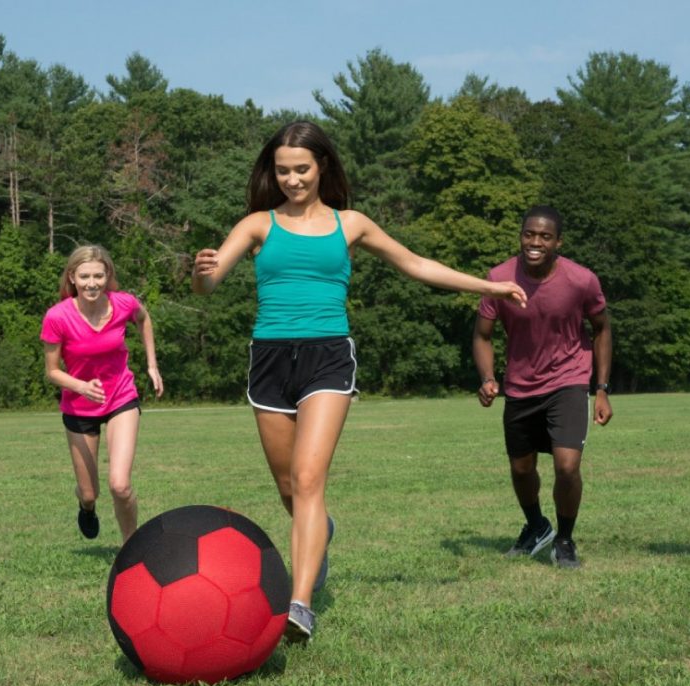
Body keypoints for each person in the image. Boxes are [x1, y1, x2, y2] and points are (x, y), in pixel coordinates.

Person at [191, 120, 527, 644]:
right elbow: (209, 285)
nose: (292, 180)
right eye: (282, 171)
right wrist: (201, 270)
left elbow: (415, 264)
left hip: (328, 356)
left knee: (307, 481)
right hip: (270, 359)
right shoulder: (257, 224)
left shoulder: (351, 224)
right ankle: (319, 533)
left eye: (301, 169)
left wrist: (490, 286)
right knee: (289, 489)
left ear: (322, 165)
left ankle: (299, 604)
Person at [472, 205, 612, 569]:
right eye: (529, 234)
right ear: (521, 235)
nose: (535, 242)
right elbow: (482, 336)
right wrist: (488, 377)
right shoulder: (500, 278)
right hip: (519, 386)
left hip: (568, 380)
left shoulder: (582, 280)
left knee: (567, 466)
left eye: (544, 236)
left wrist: (601, 388)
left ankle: (564, 540)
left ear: (558, 242)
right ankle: (536, 526)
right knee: (521, 469)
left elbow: (602, 329)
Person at [41, 245, 164, 544]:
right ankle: (86, 506)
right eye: (84, 276)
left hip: (121, 396)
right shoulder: (57, 317)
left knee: (120, 486)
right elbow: (52, 371)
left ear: (108, 275)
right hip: (79, 406)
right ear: (72, 277)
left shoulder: (123, 303)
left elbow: (144, 320)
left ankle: (131, 548)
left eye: (98, 275)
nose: (92, 283)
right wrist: (80, 386)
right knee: (89, 491)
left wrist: (152, 365)